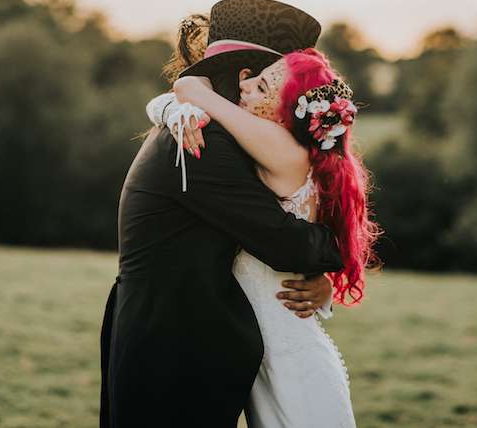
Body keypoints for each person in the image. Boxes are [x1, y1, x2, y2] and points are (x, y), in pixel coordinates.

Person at [99, 0, 345, 428]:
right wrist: (339, 249)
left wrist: (319, 281)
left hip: (176, 342)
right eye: (279, 83)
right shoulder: (203, 142)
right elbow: (283, 242)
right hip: (170, 351)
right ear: (246, 77)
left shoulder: (208, 129)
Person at [149, 41, 379, 427]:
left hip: (291, 368)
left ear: (285, 114)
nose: (245, 85)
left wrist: (182, 103)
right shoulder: (290, 151)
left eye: (261, 87)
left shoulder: (280, 148)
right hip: (274, 354)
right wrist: (173, 110)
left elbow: (188, 89)